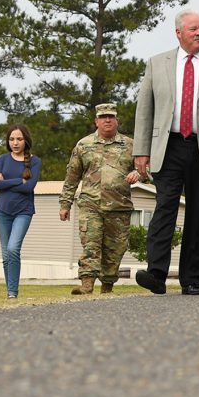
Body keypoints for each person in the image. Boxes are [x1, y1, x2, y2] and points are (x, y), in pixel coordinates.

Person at [133, 9, 199, 296]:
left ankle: (191, 279)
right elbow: (145, 110)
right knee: (165, 205)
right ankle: (156, 273)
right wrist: (140, 150)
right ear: (178, 32)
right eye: (193, 29)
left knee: (198, 211)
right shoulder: (157, 63)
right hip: (167, 146)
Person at [60, 103, 142, 295]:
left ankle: (107, 287)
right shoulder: (83, 145)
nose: (107, 120)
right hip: (91, 205)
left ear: (117, 121)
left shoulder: (131, 145)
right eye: (103, 117)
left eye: (111, 117)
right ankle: (86, 285)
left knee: (115, 251)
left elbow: (149, 169)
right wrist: (65, 204)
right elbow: (72, 177)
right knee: (91, 245)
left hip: (119, 207)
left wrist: (138, 173)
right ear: (96, 121)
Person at [0, 125, 42, 299]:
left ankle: (13, 291)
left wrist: (6, 181)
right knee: (6, 255)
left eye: (19, 139)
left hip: (23, 211)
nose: (15, 142)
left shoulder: (35, 161)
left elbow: (29, 187)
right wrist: (17, 180)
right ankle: (10, 292)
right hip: (3, 211)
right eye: (12, 139)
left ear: (26, 140)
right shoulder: (2, 159)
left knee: (13, 249)